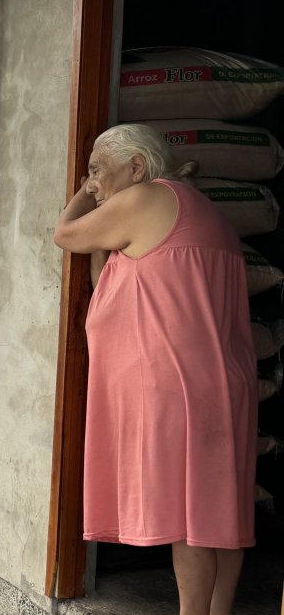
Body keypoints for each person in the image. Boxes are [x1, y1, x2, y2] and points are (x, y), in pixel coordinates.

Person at [53, 123, 256, 615]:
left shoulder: (145, 199)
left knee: (190, 521)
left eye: (98, 170)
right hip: (225, 383)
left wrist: (82, 192)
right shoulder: (202, 212)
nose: (94, 184)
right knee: (221, 513)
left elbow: (65, 234)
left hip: (179, 388)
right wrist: (100, 198)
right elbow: (109, 282)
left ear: (137, 167)